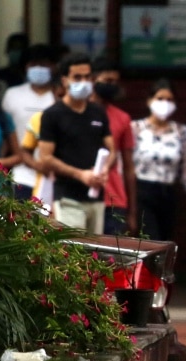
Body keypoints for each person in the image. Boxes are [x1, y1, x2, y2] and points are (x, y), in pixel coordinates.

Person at [38, 52, 115, 234]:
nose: (84, 81)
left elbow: (112, 149)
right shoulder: (52, 114)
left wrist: (104, 169)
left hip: (96, 196)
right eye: (77, 77)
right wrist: (80, 175)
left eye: (87, 77)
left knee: (96, 255)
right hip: (68, 197)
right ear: (65, 80)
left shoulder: (98, 112)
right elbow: (45, 158)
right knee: (74, 252)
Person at [130, 81, 186, 241]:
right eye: (160, 98)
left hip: (167, 193)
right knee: (149, 241)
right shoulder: (135, 129)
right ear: (149, 101)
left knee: (164, 244)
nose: (164, 104)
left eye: (169, 100)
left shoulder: (183, 133)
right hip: (141, 192)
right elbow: (124, 166)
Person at [90, 58, 137, 235]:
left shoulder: (122, 118)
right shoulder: (78, 113)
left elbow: (129, 169)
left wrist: (132, 212)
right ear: (93, 80)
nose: (113, 86)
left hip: (114, 200)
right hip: (82, 196)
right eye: (108, 81)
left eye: (116, 82)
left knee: (112, 259)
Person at [3, 45, 56, 197]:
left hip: (52, 176)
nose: (39, 68)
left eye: (43, 64)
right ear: (26, 67)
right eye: (34, 64)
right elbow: (5, 135)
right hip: (20, 175)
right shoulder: (12, 95)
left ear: (53, 67)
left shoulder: (59, 98)